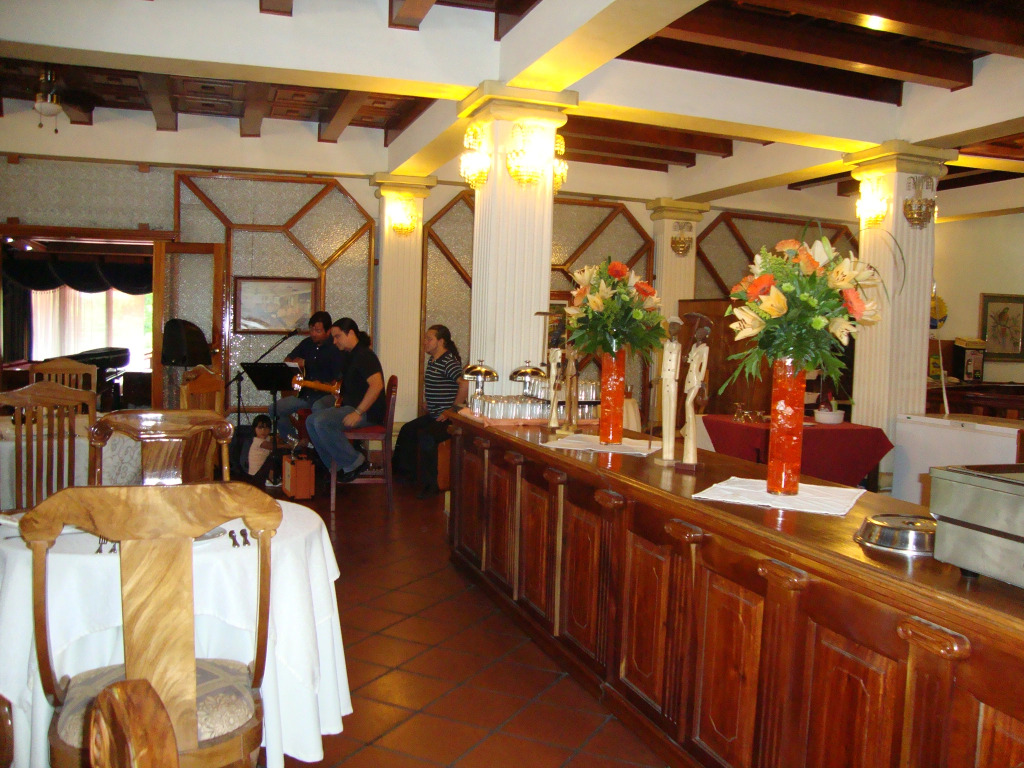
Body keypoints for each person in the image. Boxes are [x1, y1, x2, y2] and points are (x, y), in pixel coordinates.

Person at [305, 318, 385, 483]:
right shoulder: (350, 355)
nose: (334, 341)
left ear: (351, 334)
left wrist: (358, 412)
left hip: (367, 411)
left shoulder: (364, 356)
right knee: (310, 421)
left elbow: (377, 386)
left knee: (321, 422)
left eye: (337, 336)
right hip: (351, 405)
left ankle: (355, 461)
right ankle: (334, 467)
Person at [393, 325, 467, 498]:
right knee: (407, 430)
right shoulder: (433, 360)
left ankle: (431, 485)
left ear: (441, 342)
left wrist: (451, 410)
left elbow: (465, 384)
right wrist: (429, 402)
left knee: (427, 437)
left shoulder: (448, 362)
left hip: (446, 419)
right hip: (434, 414)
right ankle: (406, 475)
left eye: (429, 339)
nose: (425, 342)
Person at [269, 311, 346, 442]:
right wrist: (295, 365)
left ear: (328, 331)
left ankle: (320, 446)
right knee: (275, 409)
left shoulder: (335, 346)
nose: (313, 334)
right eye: (311, 330)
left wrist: (307, 363)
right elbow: (288, 359)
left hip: (327, 394)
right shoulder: (307, 343)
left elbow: (338, 373)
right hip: (306, 393)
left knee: (318, 408)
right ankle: (293, 443)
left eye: (318, 331)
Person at [243, 414, 276, 490]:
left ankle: (273, 478)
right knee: (274, 456)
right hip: (256, 474)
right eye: (260, 428)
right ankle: (272, 479)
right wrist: (289, 445)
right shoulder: (257, 441)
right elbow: (274, 447)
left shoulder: (267, 438)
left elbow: (273, 440)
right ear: (254, 429)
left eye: (266, 428)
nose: (263, 431)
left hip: (261, 472)